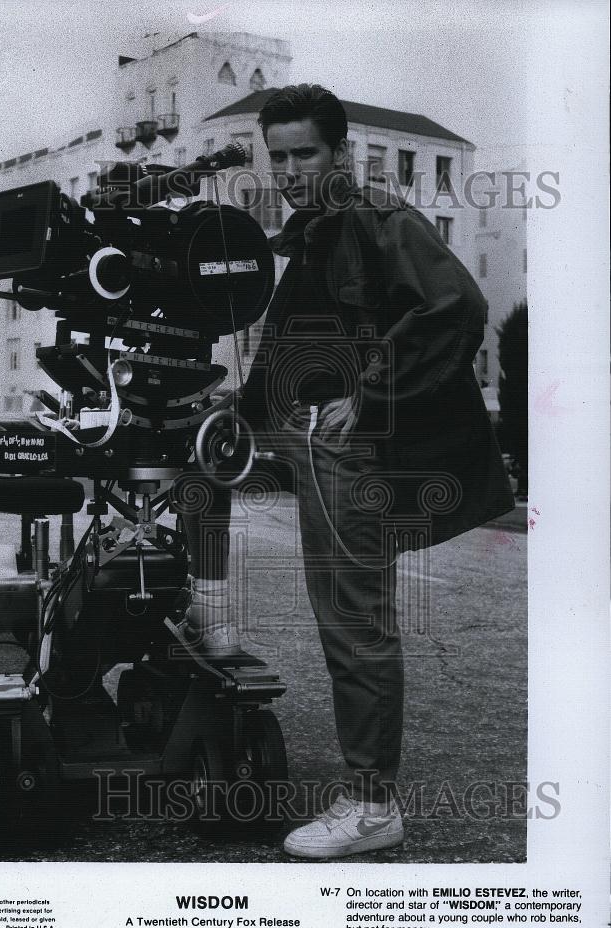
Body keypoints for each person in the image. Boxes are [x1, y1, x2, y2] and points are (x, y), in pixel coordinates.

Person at [173, 83, 514, 859]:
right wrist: (244, 406)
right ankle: (209, 608)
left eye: (305, 153)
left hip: (351, 451)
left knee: (354, 624)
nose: (291, 169)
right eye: (279, 156)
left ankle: (371, 805)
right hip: (299, 433)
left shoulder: (375, 220)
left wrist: (371, 394)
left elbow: (456, 307)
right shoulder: (316, 232)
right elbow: (300, 341)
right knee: (189, 456)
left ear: (341, 153)